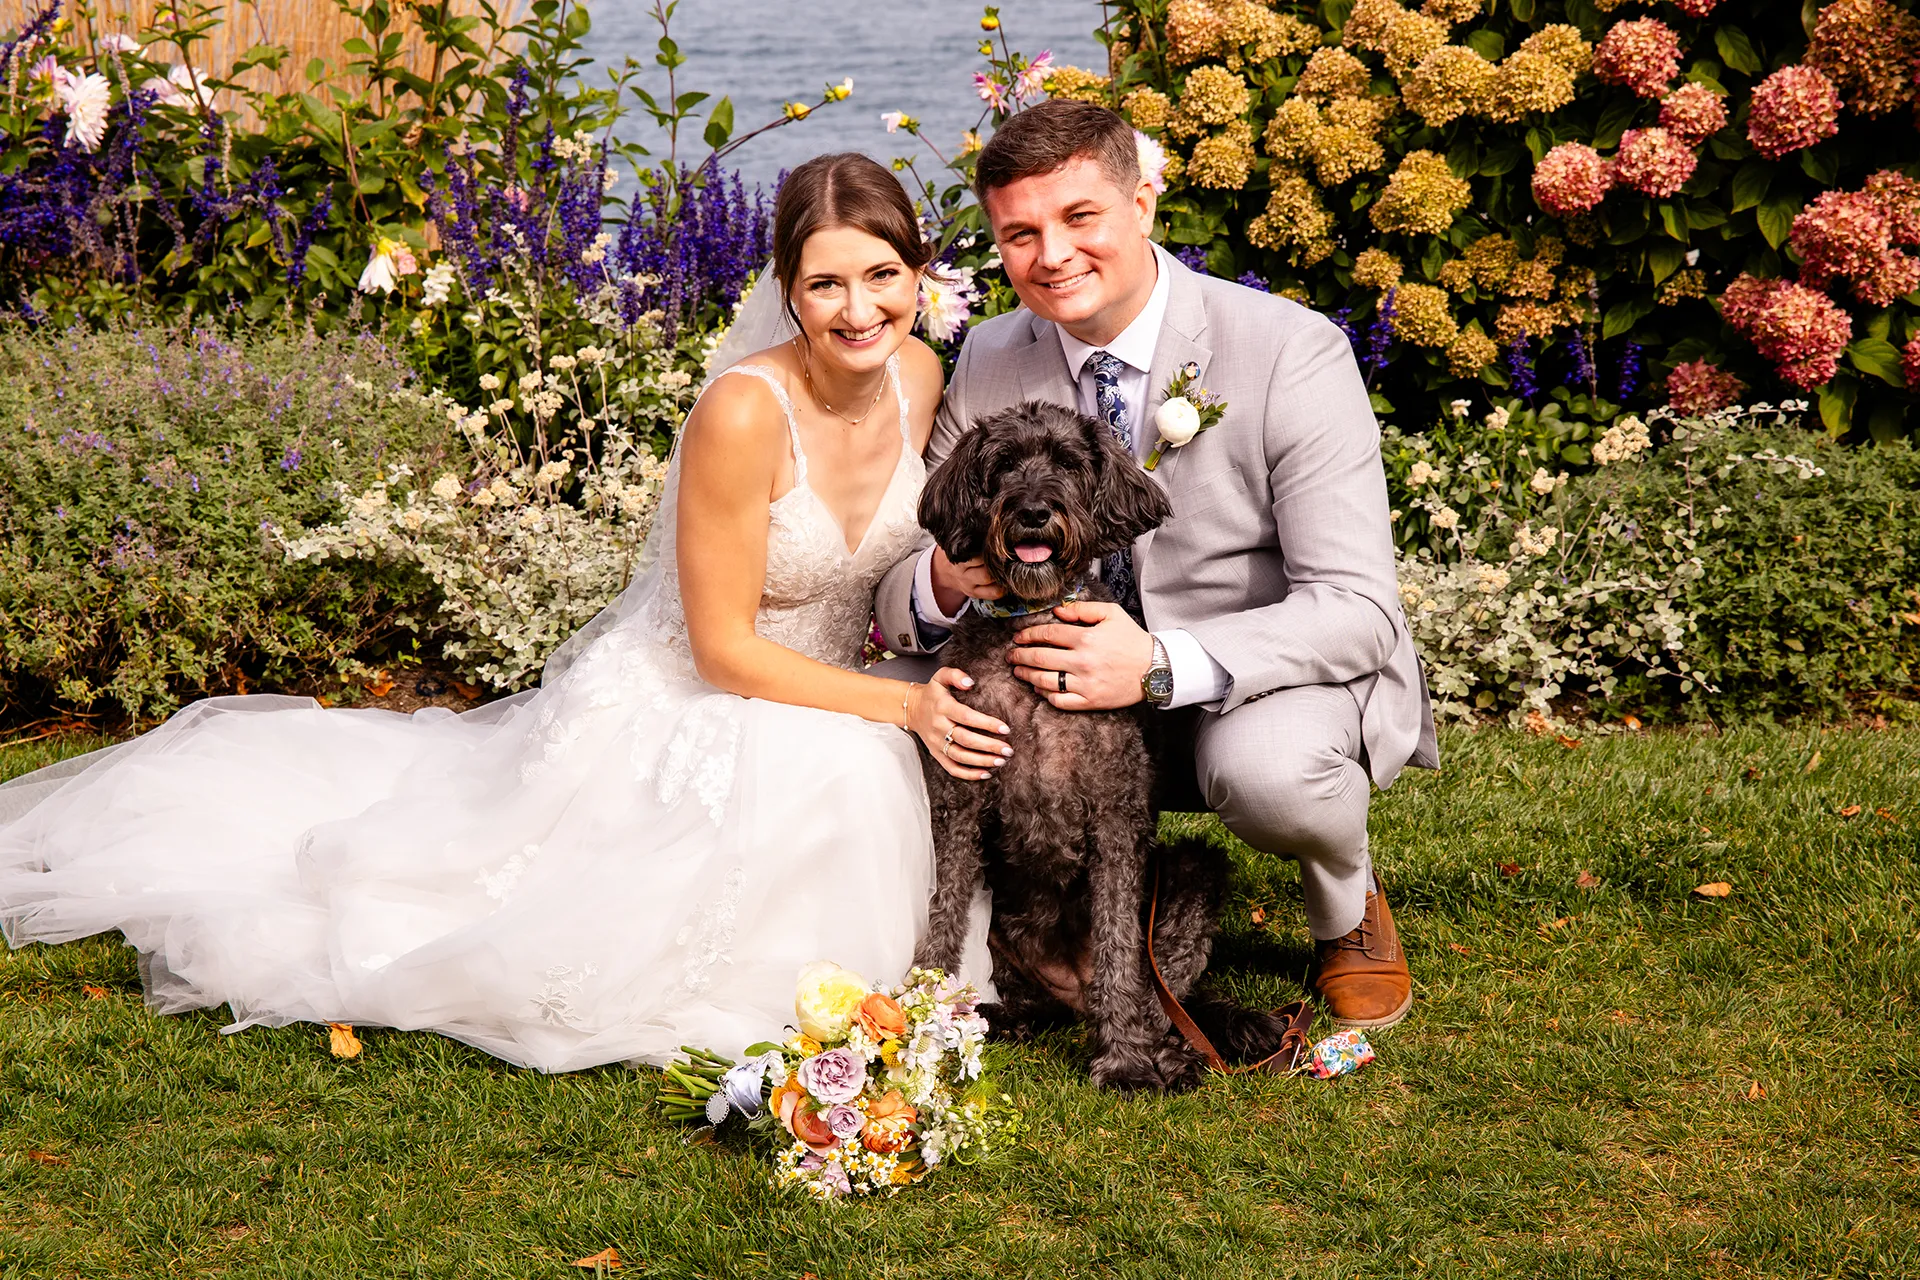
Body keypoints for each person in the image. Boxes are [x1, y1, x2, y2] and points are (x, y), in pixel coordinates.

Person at [0, 153, 1000, 1073]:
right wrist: (899, 708)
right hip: (705, 686)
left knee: (866, 760)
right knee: (848, 764)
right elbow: (724, 649)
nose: (859, 308)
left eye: (882, 275)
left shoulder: (919, 377)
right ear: (789, 292)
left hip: (824, 675)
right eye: (827, 282)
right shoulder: (743, 413)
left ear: (920, 275)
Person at [874, 100, 1439, 1030]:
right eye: (1020, 234)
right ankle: (968, 939)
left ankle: (1346, 907)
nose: (1051, 255)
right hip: (1041, 695)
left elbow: (1359, 608)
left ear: (1142, 203)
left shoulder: (1289, 349)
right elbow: (908, 564)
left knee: (1273, 771)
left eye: (1078, 217)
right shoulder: (989, 355)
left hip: (1236, 683)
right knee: (870, 720)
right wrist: (944, 580)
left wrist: (1160, 664)